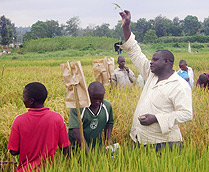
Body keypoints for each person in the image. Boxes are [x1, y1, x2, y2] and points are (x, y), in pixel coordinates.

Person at [119, 10, 193, 151]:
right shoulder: (151, 75)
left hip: (164, 143)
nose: (150, 62)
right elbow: (135, 51)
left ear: (166, 61)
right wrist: (126, 27)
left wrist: (156, 118)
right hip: (141, 139)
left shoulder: (179, 85)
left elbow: (186, 114)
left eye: (154, 60)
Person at [8, 82, 70, 172]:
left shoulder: (19, 120)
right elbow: (65, 148)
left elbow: (13, 151)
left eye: (24, 96)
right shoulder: (57, 118)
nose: (22, 99)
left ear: (31, 101)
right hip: (49, 169)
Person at [68, 81, 114, 151]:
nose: (97, 102)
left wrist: (107, 139)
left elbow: (109, 123)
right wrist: (88, 153)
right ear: (87, 95)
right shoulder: (78, 107)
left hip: (96, 148)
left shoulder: (107, 106)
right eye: (94, 99)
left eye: (100, 99)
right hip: (76, 148)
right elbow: (77, 132)